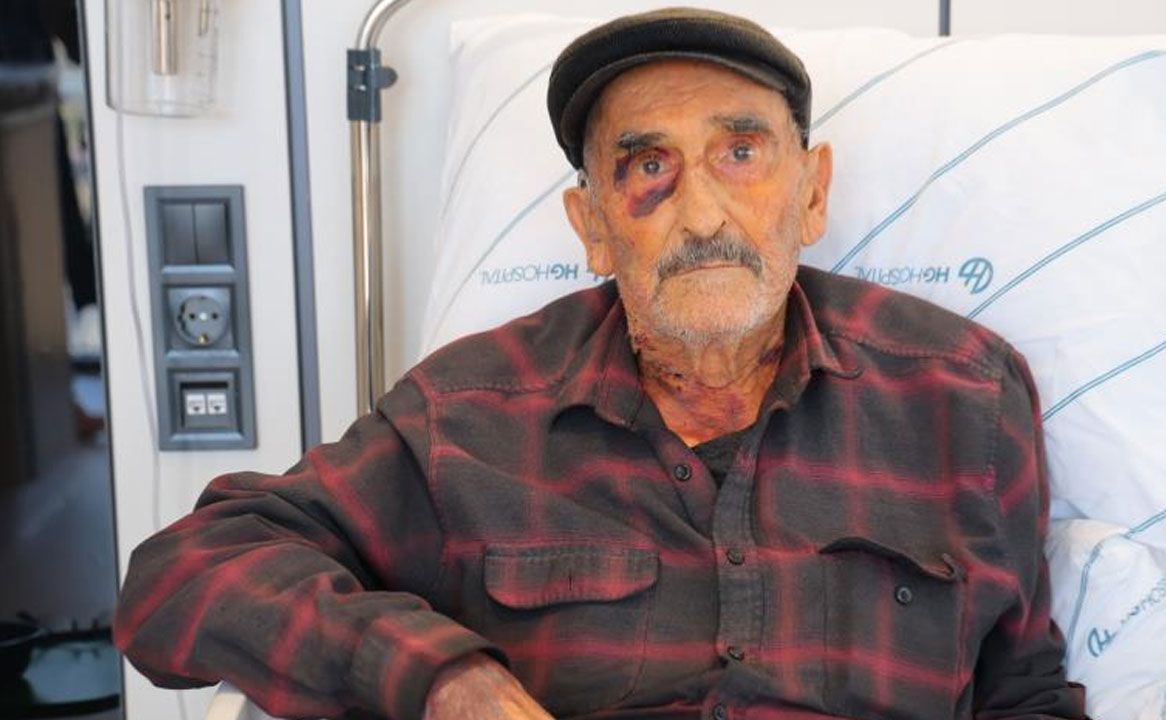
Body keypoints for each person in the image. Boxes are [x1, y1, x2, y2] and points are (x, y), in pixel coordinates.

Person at [114, 8, 1088, 720]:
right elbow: (183, 576)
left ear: (811, 192)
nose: (700, 214)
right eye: (647, 166)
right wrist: (445, 680)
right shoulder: (469, 416)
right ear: (591, 227)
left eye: (740, 154)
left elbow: (1023, 689)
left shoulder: (962, 395)